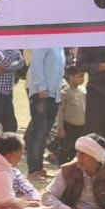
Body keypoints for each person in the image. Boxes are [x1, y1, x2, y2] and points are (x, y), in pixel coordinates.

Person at [25, 47, 65, 180]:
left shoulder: (60, 47)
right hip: (41, 94)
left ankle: (39, 167)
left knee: (44, 134)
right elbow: (36, 64)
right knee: (38, 133)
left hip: (54, 95)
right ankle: (32, 170)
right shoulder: (44, 42)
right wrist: (41, 87)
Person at [56, 67, 88, 164]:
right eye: (80, 76)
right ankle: (63, 168)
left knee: (77, 149)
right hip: (68, 126)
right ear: (71, 76)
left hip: (81, 126)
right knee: (65, 149)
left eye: (83, 76)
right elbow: (60, 111)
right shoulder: (65, 92)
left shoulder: (83, 92)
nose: (82, 79)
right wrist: (60, 127)